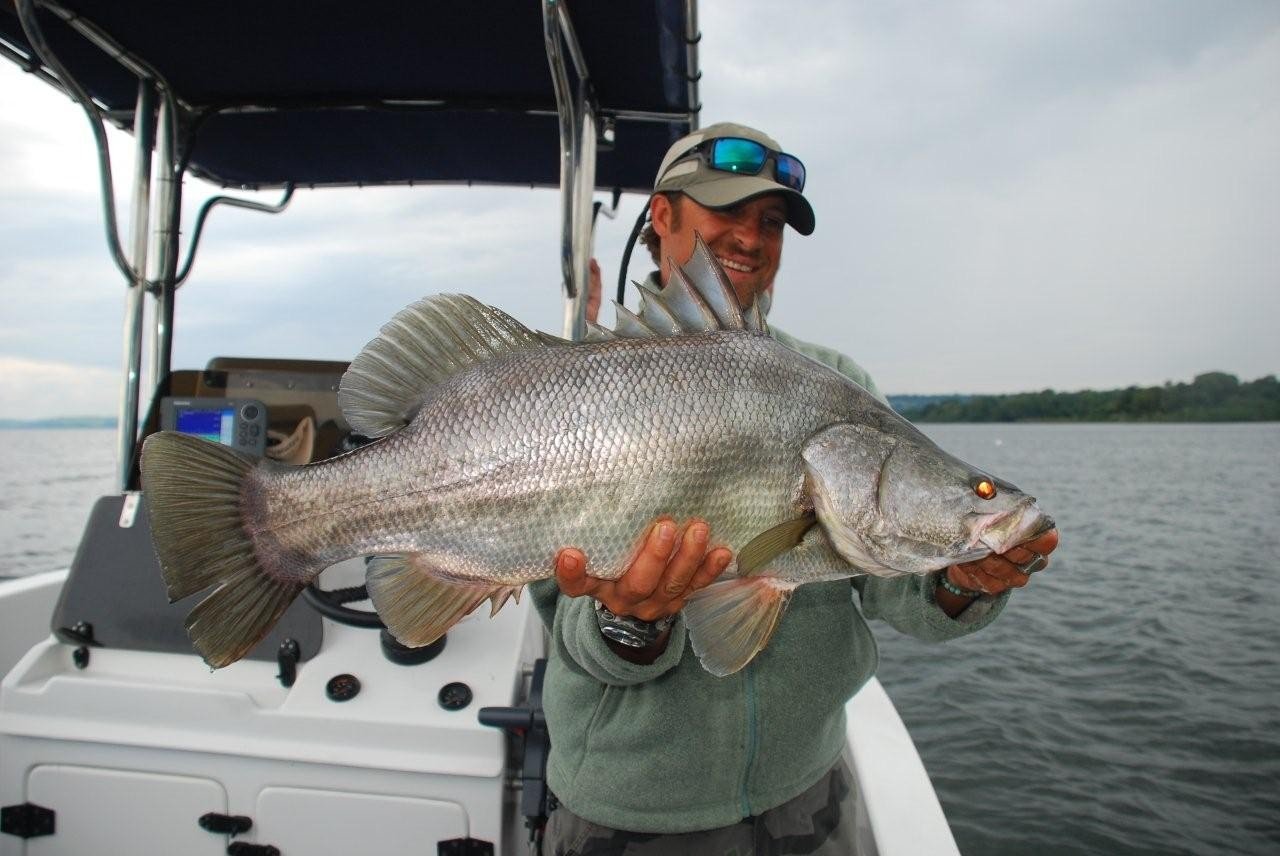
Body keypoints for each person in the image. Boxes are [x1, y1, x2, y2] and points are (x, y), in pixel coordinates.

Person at [528, 122, 1060, 855]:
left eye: (771, 221)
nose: (752, 237)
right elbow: (566, 623)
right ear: (662, 215)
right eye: (727, 210)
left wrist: (959, 583)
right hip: (630, 816)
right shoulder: (567, 390)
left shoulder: (840, 387)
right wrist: (632, 623)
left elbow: (892, 586)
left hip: (807, 794)